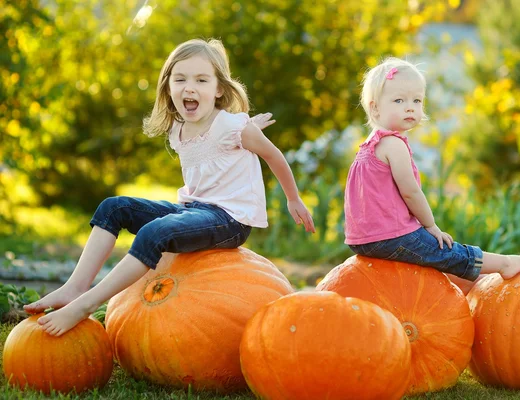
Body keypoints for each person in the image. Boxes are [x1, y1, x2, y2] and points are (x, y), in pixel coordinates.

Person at [24, 38, 315, 336]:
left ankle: (86, 304)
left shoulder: (234, 128)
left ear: (218, 90)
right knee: (113, 208)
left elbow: (272, 155)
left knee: (155, 233)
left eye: (201, 80)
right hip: (192, 210)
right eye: (180, 79)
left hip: (230, 220)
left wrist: (293, 198)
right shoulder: (179, 128)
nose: (189, 87)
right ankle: (75, 287)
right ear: (168, 87)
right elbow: (215, 146)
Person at [344, 57, 520, 284]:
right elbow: (410, 193)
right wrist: (430, 226)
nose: (409, 107)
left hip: (362, 239)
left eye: (416, 100)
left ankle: (464, 288)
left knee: (426, 258)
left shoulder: (369, 145)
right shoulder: (393, 145)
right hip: (389, 235)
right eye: (398, 100)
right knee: (445, 251)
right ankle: (504, 264)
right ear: (374, 107)